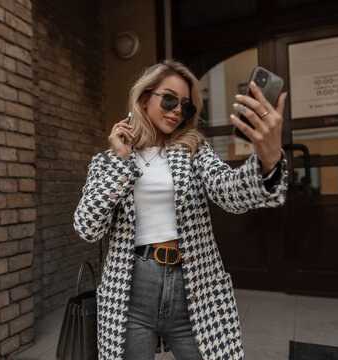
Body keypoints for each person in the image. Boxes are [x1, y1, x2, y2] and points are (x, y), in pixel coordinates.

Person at [74, 60, 288, 360]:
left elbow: (230, 193)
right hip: (132, 287)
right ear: (145, 98)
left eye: (186, 106)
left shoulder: (193, 150)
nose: (177, 110)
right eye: (169, 99)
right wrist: (122, 164)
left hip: (194, 284)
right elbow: (87, 227)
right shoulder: (108, 161)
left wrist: (268, 160)